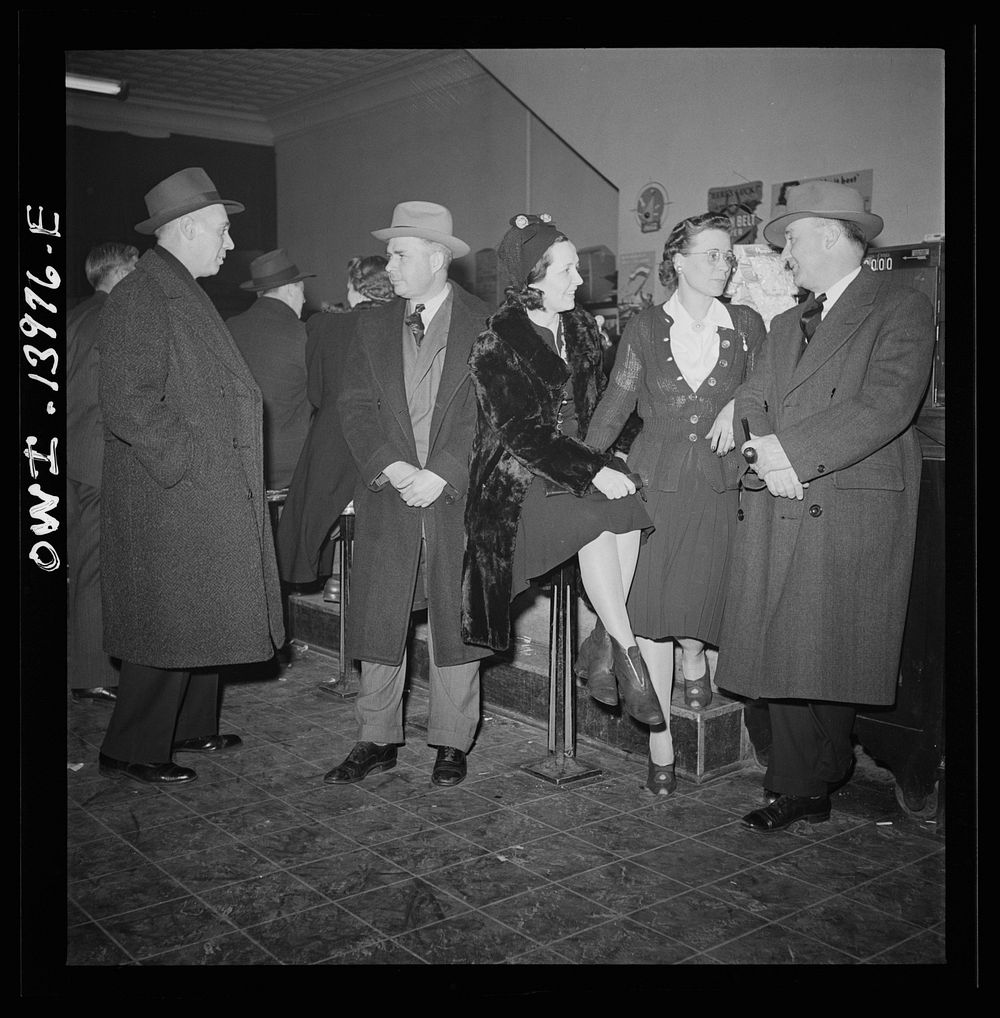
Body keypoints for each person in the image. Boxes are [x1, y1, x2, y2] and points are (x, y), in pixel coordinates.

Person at [715, 181, 935, 832]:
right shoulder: (787, 324)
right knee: (784, 647)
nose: (786, 256)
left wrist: (790, 457)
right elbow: (752, 398)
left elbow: (887, 404)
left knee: (827, 648)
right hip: (781, 493)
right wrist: (763, 455)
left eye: (794, 241)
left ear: (835, 236)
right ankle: (798, 785)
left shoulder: (903, 304)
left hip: (845, 499)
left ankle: (818, 774)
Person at [97, 167, 285, 786]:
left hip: (194, 492)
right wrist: (192, 463)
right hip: (172, 494)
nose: (230, 245)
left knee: (198, 612)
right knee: (168, 619)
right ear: (184, 230)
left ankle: (189, 725)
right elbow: (129, 402)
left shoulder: (175, 288)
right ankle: (132, 747)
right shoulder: (141, 295)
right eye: (222, 231)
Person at [586, 213, 767, 794]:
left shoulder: (745, 325)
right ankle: (659, 737)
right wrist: (581, 464)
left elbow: (768, 387)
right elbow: (616, 403)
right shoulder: (642, 327)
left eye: (727, 256)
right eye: (712, 254)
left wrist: (733, 406)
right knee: (653, 615)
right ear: (679, 262)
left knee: (699, 598)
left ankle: (696, 655)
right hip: (656, 483)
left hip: (719, 485)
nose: (724, 264)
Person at [461, 213, 661, 727]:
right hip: (519, 478)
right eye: (566, 271)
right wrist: (592, 471)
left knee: (630, 505)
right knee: (596, 521)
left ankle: (603, 642)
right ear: (532, 279)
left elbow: (605, 410)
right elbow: (522, 435)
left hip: (583, 463)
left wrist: (620, 456)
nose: (579, 280)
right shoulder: (496, 342)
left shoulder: (583, 331)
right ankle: (629, 659)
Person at [325, 201, 493, 788]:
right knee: (380, 612)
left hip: (455, 496)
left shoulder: (486, 322)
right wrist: (391, 466)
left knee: (457, 617)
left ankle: (451, 741)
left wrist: (443, 470)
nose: (389, 265)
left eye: (400, 253)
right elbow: (354, 406)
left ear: (437, 257)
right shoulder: (369, 323)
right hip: (389, 492)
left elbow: (491, 413)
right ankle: (376, 738)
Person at [276, 254, 393, 594]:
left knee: (308, 521)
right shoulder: (403, 325)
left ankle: (336, 575)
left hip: (333, 445)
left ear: (357, 288)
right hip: (386, 449)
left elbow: (315, 393)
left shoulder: (326, 326)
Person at [66, 242, 138, 706]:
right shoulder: (112, 317)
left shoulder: (75, 315)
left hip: (72, 454)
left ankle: (90, 661)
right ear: (119, 272)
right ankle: (91, 672)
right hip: (99, 458)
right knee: (95, 568)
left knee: (82, 563)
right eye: (135, 268)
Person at [226, 248, 315, 492]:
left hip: (235, 469)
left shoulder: (227, 329)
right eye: (302, 292)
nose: (305, 301)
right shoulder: (305, 335)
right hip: (290, 474)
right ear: (290, 289)